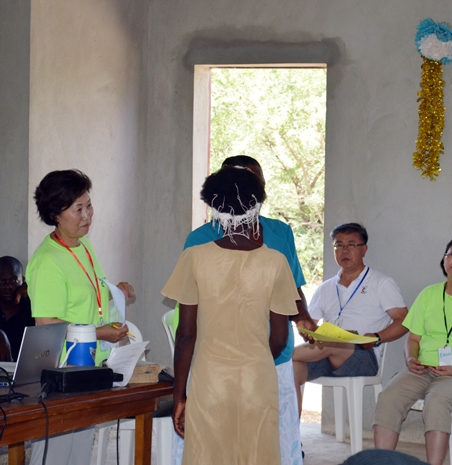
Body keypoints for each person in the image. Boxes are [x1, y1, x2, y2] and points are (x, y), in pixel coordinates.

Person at [170, 155, 315, 465]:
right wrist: (255, 360)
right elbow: (279, 337)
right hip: (258, 378)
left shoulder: (195, 258)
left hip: (209, 378)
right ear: (257, 205)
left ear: (214, 207)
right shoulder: (274, 261)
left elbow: (186, 335)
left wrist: (179, 395)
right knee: (258, 454)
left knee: (208, 456)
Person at [26, 169, 135, 465]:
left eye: (89, 205)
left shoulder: (83, 245)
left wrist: (115, 293)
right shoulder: (47, 262)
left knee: (78, 453)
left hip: (87, 366)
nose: (87, 215)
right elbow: (47, 326)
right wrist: (100, 333)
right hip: (61, 371)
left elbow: (87, 298)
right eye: (78, 209)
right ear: (55, 214)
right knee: (55, 454)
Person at [373, 234, 452, 465]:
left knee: (437, 400)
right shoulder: (428, 294)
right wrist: (411, 359)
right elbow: (413, 338)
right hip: (424, 369)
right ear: (444, 259)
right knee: (388, 396)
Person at [292, 223, 409, 419]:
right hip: (325, 357)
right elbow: (310, 324)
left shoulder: (381, 283)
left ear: (364, 249)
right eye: (339, 245)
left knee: (329, 343)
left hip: (363, 355)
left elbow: (404, 320)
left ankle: (278, 357)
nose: (344, 250)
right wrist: (307, 330)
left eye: (351, 245)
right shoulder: (325, 288)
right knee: (292, 370)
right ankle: (290, 435)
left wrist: (377, 337)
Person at [0, 256, 32, 361]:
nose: (7, 286)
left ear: (23, 281)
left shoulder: (32, 305)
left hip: (26, 368)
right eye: (1, 281)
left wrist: (32, 288)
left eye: (14, 280)